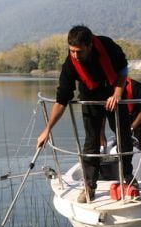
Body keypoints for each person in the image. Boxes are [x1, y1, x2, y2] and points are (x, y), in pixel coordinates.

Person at [36, 25, 134, 203]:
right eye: (72, 51)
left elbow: (123, 69)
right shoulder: (70, 65)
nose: (75, 55)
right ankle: (89, 186)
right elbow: (61, 100)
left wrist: (118, 93)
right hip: (90, 95)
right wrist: (47, 129)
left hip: (114, 91)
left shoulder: (107, 45)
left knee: (123, 135)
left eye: (79, 51)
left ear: (90, 46)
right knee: (91, 140)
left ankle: (128, 178)